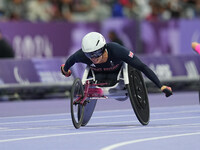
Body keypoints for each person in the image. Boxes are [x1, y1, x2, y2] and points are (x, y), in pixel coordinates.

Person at [61, 32, 172, 97]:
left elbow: (142, 67)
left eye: (97, 53)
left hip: (117, 75)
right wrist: (66, 71)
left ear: (104, 48)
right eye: (89, 55)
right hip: (98, 76)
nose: (93, 58)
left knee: (132, 68)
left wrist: (161, 86)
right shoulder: (81, 55)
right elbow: (68, 62)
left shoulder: (117, 50)